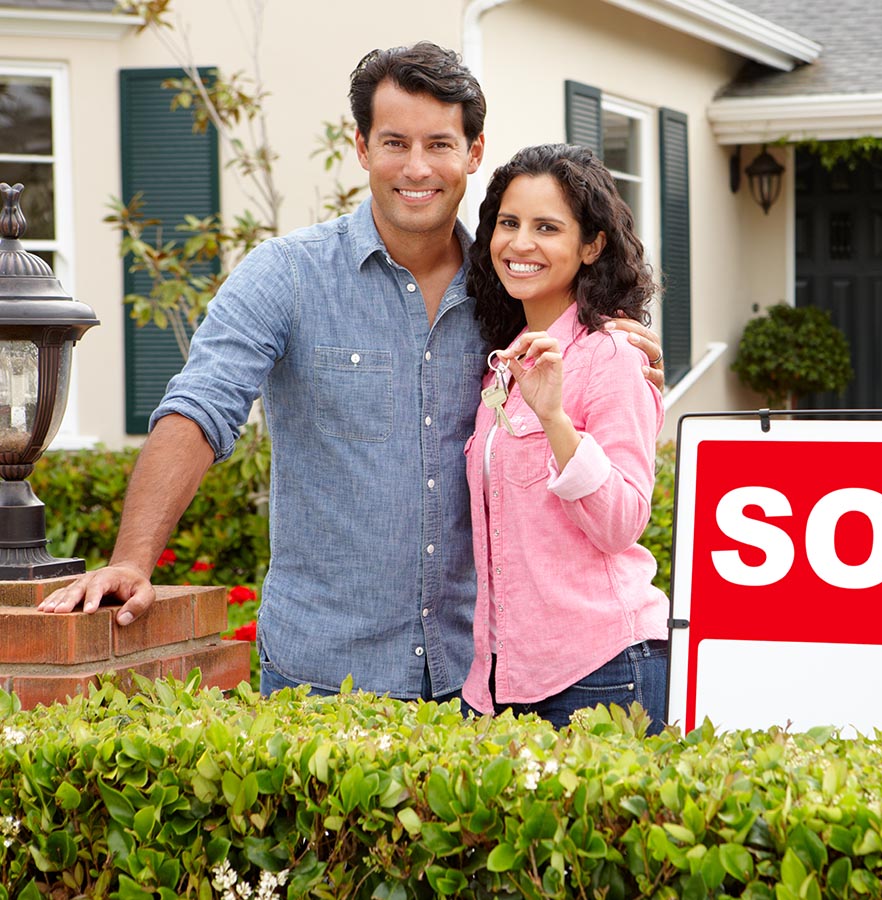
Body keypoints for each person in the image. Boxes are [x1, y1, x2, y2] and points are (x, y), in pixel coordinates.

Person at [37, 44, 664, 701]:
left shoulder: (510, 290)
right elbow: (200, 407)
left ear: (474, 153)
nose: (417, 167)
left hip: (476, 681)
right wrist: (133, 560)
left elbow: (588, 381)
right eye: (395, 141)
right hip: (323, 678)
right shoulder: (287, 275)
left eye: (440, 144)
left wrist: (615, 343)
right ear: (361, 146)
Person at [460, 144, 669, 732]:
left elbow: (621, 521)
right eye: (508, 223)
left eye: (546, 227)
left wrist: (556, 420)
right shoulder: (501, 365)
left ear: (592, 245)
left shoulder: (614, 356)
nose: (520, 244)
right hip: (500, 683)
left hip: (602, 670)